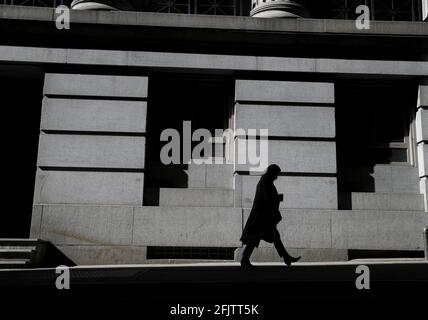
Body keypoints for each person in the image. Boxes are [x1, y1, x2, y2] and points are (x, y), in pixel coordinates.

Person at [240, 164, 301, 268]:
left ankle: (286, 257)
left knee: (270, 236)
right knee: (256, 236)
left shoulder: (265, 181)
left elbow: (267, 198)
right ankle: (245, 259)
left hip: (263, 216)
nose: (277, 177)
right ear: (271, 172)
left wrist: (276, 198)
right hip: (263, 217)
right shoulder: (266, 182)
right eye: (276, 174)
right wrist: (277, 202)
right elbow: (268, 199)